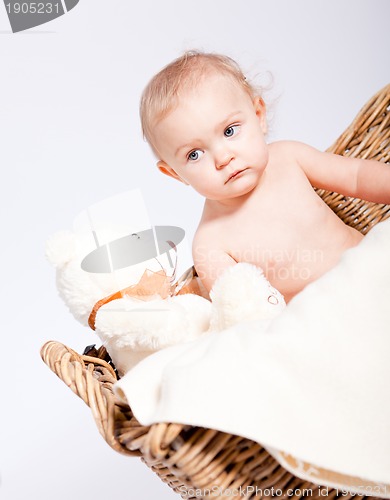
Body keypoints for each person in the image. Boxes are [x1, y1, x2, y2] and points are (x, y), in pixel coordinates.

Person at [140, 51, 390, 302]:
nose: (223, 158)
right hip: (321, 318)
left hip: (371, 266)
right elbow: (247, 312)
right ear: (174, 173)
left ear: (258, 115)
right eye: (194, 154)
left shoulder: (289, 158)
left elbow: (357, 176)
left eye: (229, 131)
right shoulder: (210, 245)